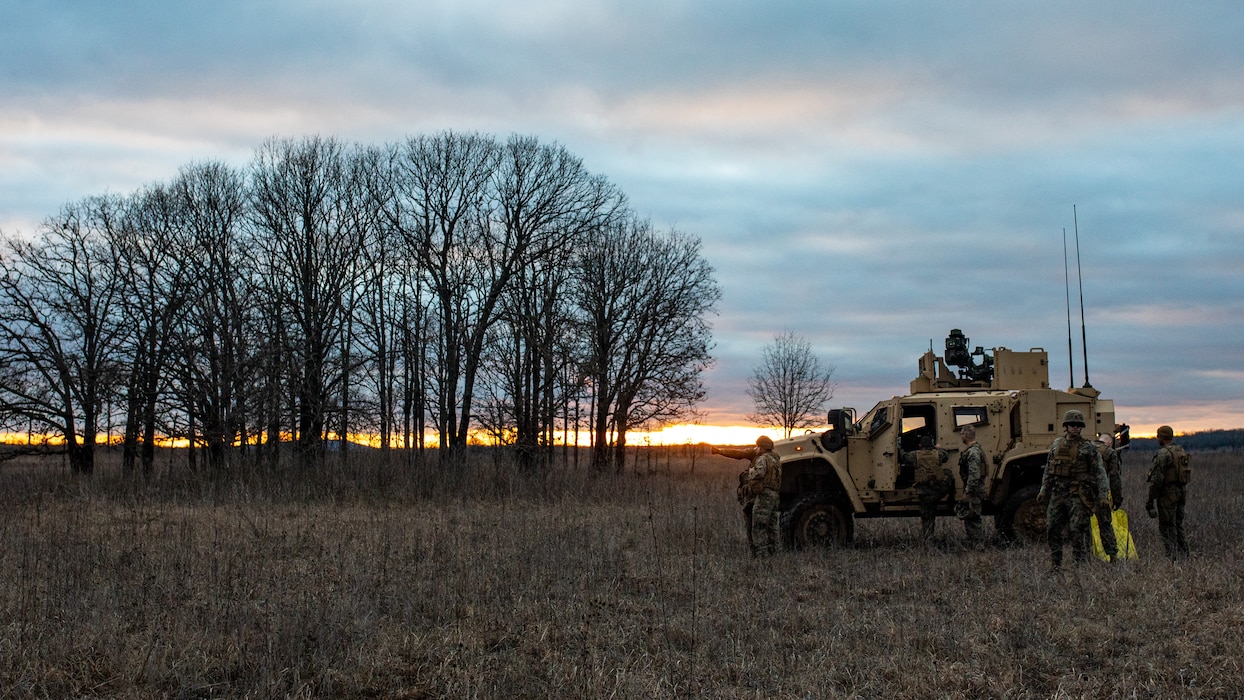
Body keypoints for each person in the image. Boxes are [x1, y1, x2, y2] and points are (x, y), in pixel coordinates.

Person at [1037, 409, 1110, 570]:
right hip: (1058, 494)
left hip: (1078, 495)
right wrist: (1044, 489)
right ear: (1066, 426)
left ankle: (1080, 565)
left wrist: (1103, 495)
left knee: (1079, 531)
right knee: (1052, 529)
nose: (1075, 428)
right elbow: (1049, 469)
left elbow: (1100, 472)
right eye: (1072, 425)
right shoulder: (1057, 445)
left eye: (1078, 425)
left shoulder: (1088, 448)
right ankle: (1056, 564)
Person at [713, 436, 782, 557]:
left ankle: (761, 555)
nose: (756, 448)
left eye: (757, 446)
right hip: (774, 495)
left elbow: (759, 473)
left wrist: (750, 473)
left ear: (761, 447)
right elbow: (738, 453)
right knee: (772, 526)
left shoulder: (762, 458)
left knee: (758, 525)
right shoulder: (776, 458)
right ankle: (775, 553)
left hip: (762, 495)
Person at [1146, 425, 1190, 560]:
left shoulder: (1163, 454)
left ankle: (1172, 557)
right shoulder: (1179, 450)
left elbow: (1157, 479)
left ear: (1161, 437)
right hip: (1181, 491)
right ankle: (1184, 554)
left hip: (1167, 494)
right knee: (1178, 524)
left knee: (1167, 525)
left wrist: (1151, 499)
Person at [899, 434, 952, 542]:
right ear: (932, 445)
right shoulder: (938, 454)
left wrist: (900, 449)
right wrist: (938, 447)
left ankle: (929, 539)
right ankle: (952, 497)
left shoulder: (915, 455)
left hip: (925, 492)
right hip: (939, 490)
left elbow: (903, 457)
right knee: (948, 473)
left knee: (927, 516)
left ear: (920, 445)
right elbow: (946, 455)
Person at [1093, 433, 1124, 561]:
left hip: (1082, 493)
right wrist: (1117, 499)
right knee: (1105, 524)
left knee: (1082, 526)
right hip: (1101, 494)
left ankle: (1082, 558)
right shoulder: (1109, 453)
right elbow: (1114, 479)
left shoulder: (1085, 448)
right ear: (1110, 443)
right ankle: (1112, 557)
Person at [957, 424, 988, 549]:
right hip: (973, 489)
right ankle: (973, 541)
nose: (961, 437)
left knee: (974, 517)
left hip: (974, 490)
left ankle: (978, 545)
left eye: (961, 435)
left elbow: (974, 475)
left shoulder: (973, 452)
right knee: (970, 517)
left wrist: (968, 492)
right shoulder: (974, 450)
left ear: (965, 435)